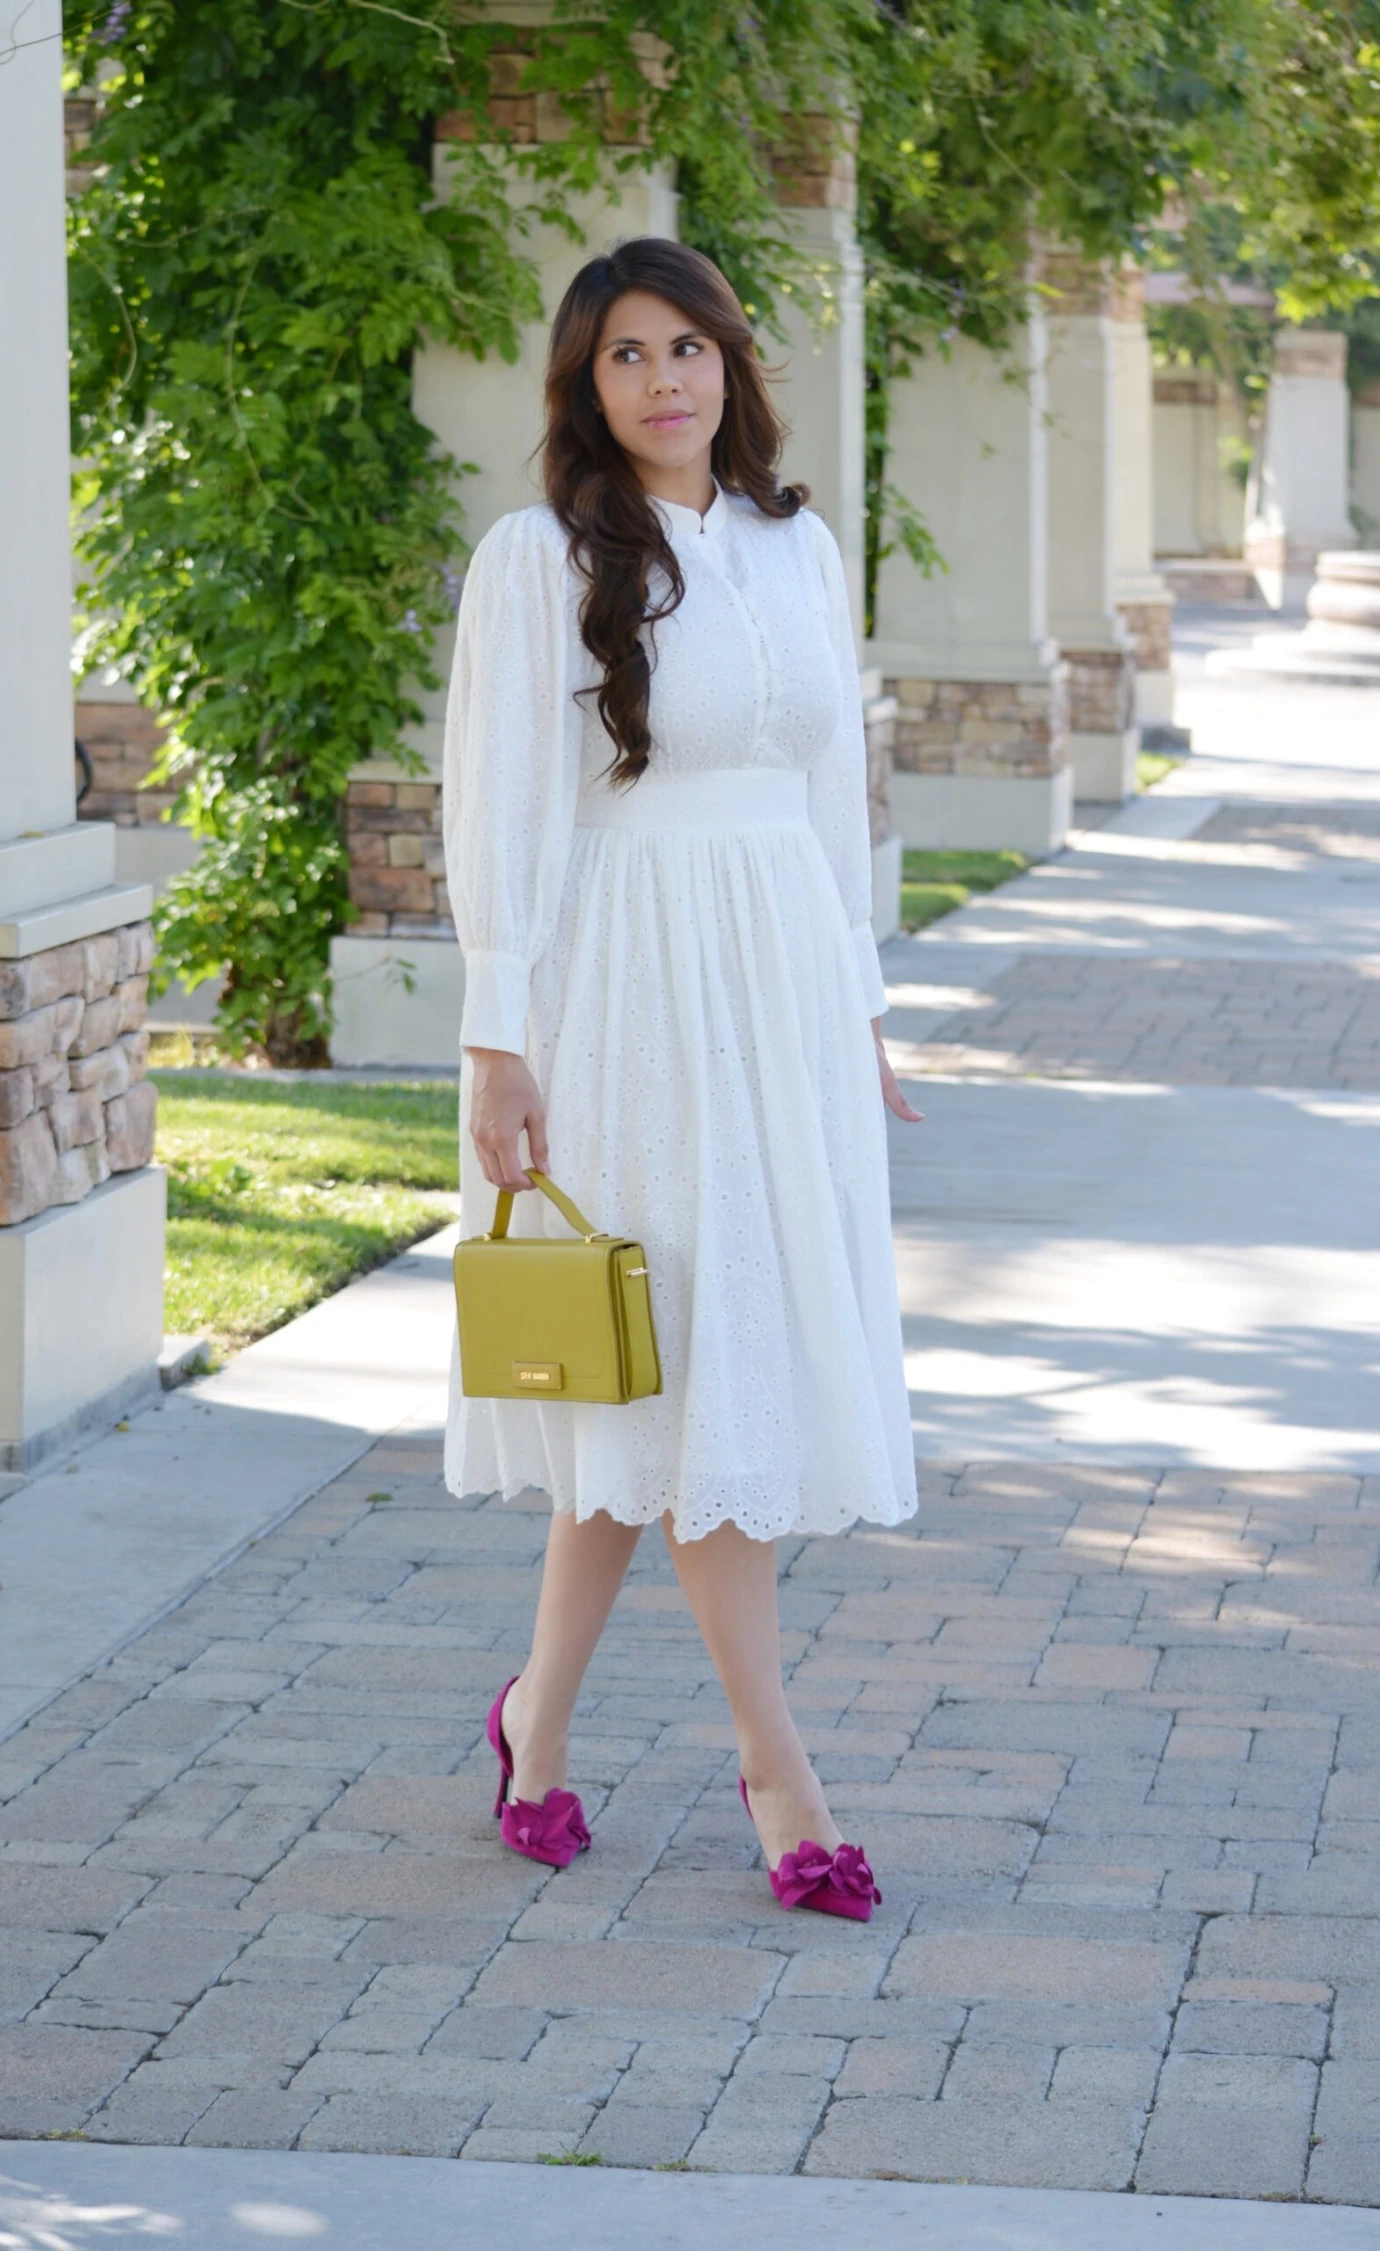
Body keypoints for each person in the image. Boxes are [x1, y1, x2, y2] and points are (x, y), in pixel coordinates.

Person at [442, 237, 921, 1920]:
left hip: (778, 984)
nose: (664, 380)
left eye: (689, 347)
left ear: (732, 363)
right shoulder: (540, 555)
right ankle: (779, 1770)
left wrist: (858, 1015)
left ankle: (537, 1721)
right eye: (626, 355)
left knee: (661, 1391)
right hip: (625, 992)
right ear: (587, 384)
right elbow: (500, 811)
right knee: (678, 1366)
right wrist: (499, 1045)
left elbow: (829, 804)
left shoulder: (798, 547)